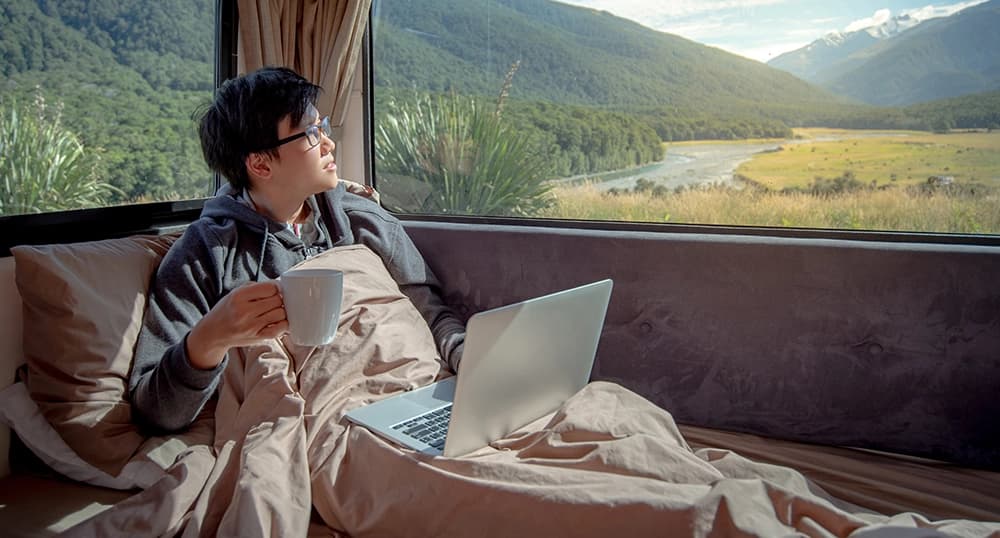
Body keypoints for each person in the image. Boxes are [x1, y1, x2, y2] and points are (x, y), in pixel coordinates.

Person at [129, 66, 466, 433]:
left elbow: (430, 314)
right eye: (310, 133)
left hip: (426, 396)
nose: (328, 142)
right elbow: (154, 410)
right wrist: (208, 340)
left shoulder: (361, 218)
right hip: (327, 423)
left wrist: (472, 361)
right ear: (260, 163)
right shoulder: (206, 253)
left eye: (323, 127)